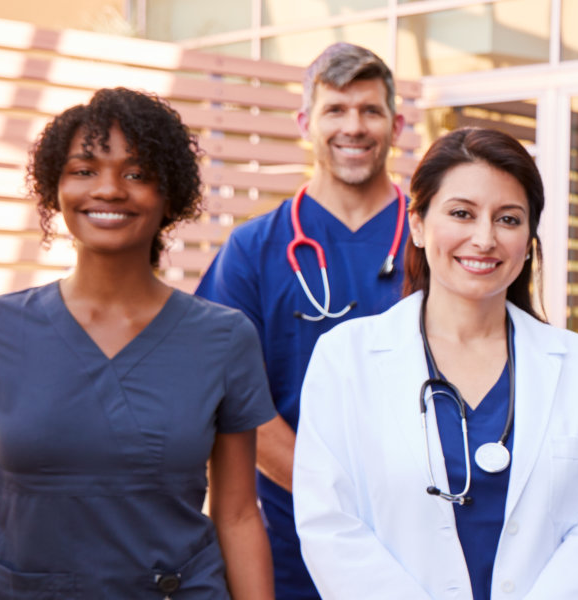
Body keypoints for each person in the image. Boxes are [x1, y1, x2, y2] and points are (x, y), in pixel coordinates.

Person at [0, 88, 275, 598]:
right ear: (56, 188)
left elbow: (240, 514)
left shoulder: (223, 338)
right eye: (84, 170)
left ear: (169, 194)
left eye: (137, 174)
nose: (110, 189)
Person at [292, 128, 578, 599]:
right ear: (416, 223)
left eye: (508, 219)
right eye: (461, 213)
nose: (484, 239)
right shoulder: (346, 359)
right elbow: (329, 525)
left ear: (528, 236)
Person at [193, 42, 409, 599]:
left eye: (370, 110)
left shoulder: (436, 240)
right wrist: (336, 501)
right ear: (305, 123)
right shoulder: (253, 249)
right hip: (291, 538)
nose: (354, 126)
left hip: (421, 530)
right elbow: (232, 397)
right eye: (335, 110)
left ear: (397, 124)